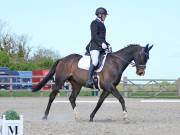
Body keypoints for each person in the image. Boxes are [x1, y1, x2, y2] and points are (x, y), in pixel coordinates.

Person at [85, 7, 111, 87]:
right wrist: (101, 44)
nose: (105, 17)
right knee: (95, 61)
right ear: (100, 15)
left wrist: (107, 44)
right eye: (104, 15)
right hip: (95, 46)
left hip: (101, 47)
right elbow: (94, 36)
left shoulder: (102, 24)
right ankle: (89, 80)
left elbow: (102, 37)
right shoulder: (94, 23)